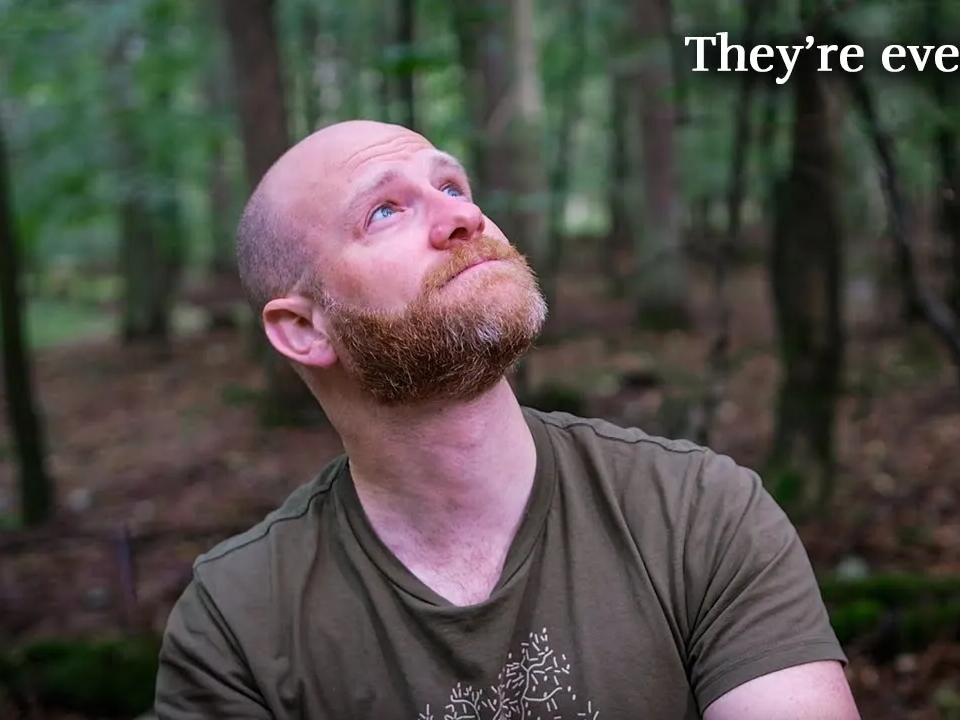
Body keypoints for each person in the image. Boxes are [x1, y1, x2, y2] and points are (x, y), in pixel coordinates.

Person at [153, 120, 860, 720]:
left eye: (452, 187)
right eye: (385, 212)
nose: (461, 218)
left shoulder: (698, 514)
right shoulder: (241, 621)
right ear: (304, 329)